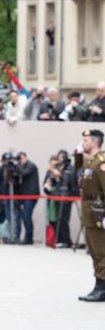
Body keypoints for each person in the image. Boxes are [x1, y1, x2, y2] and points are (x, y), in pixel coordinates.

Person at [77, 129, 105, 302]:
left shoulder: (101, 163)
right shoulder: (89, 162)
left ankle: (102, 288)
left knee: (101, 251)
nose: (83, 143)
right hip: (89, 212)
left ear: (95, 142)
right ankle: (98, 284)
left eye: (86, 140)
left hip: (98, 212)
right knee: (94, 250)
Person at [44, 150, 76, 248]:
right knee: (57, 219)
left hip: (66, 196)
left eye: (60, 157)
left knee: (63, 219)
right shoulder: (58, 168)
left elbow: (69, 179)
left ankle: (66, 241)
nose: (58, 160)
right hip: (57, 195)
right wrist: (52, 177)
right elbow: (52, 182)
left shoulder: (69, 168)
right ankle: (59, 239)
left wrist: (59, 174)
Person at [13, 152, 41, 245]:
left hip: (31, 195)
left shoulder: (31, 166)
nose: (19, 161)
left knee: (26, 215)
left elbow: (24, 173)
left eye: (20, 158)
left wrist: (16, 165)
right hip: (24, 195)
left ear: (25, 157)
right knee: (24, 216)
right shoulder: (21, 167)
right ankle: (26, 237)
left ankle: (28, 237)